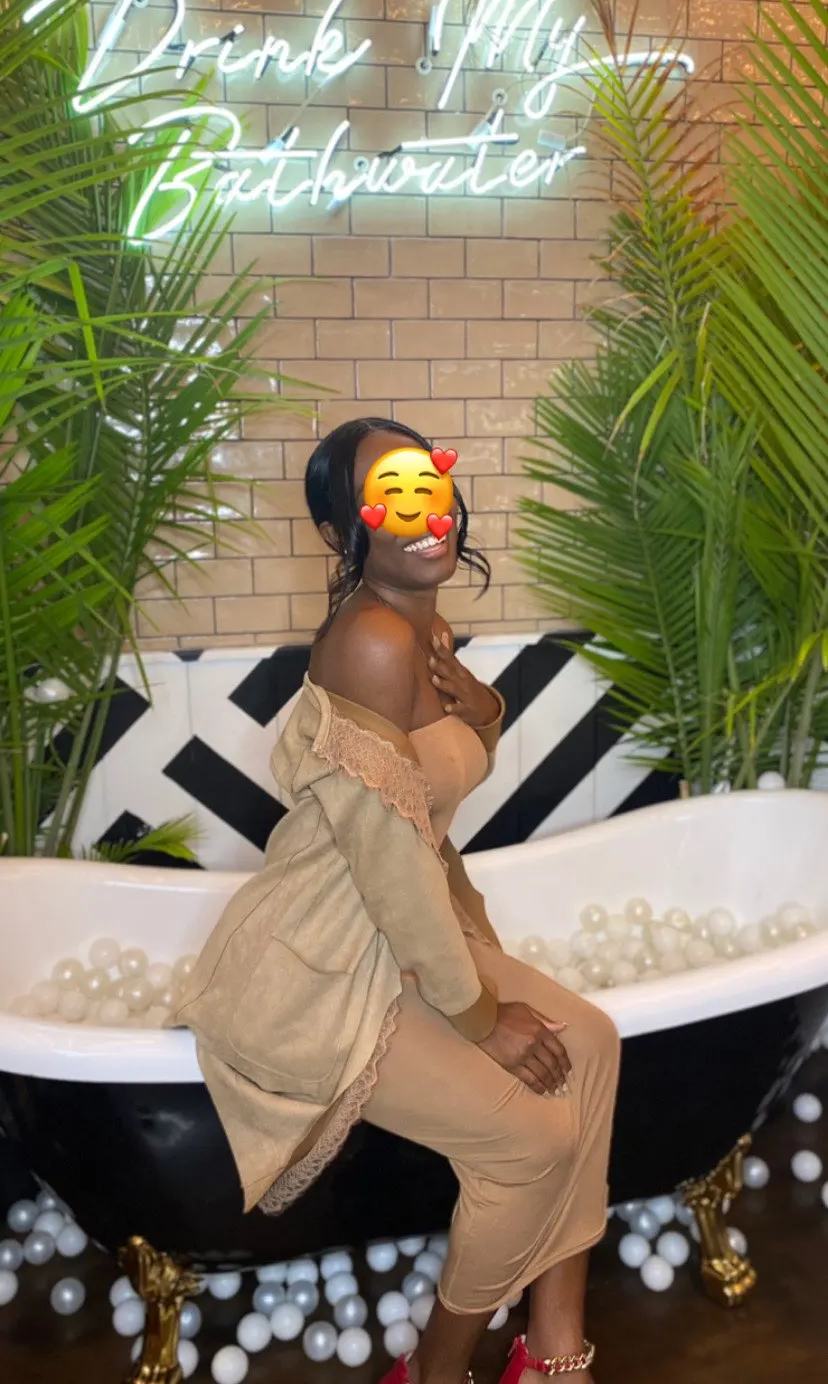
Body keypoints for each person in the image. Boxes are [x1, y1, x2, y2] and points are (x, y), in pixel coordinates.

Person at [168, 417, 620, 1384]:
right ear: (344, 532)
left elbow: (436, 777)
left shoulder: (423, 629)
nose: (422, 515)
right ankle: (436, 1371)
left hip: (401, 936)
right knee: (531, 1142)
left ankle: (553, 1349)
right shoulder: (371, 640)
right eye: (391, 497)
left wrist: (483, 707)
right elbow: (391, 866)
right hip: (328, 961)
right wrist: (482, 1019)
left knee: (593, 1042)